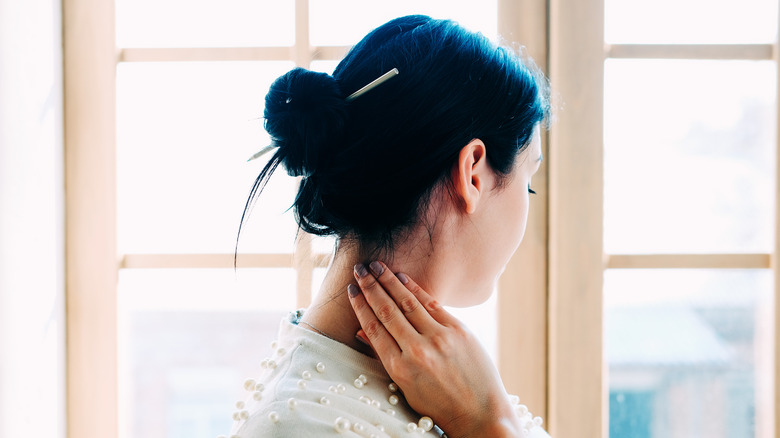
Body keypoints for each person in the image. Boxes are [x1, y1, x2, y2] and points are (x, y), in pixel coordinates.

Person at [224, 14, 550, 438]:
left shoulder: (452, 380)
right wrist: (489, 425)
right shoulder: (297, 426)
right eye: (528, 187)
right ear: (472, 173)